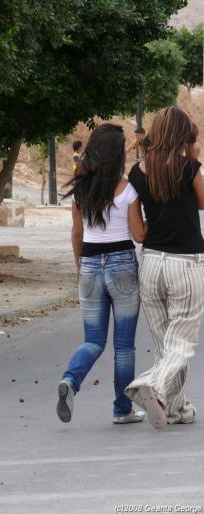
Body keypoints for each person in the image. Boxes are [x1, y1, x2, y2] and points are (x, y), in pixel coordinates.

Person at [57, 124, 147, 425]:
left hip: (90, 265)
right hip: (122, 263)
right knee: (124, 345)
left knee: (93, 340)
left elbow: (77, 233)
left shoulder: (80, 191)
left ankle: (70, 379)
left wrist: (80, 266)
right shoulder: (128, 190)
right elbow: (138, 235)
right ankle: (122, 409)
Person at [123, 107, 204, 429]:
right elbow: (203, 202)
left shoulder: (137, 172)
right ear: (184, 136)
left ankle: (175, 410)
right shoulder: (188, 167)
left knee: (165, 345)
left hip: (152, 263)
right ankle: (151, 385)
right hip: (186, 264)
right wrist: (195, 157)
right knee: (181, 343)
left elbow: (139, 232)